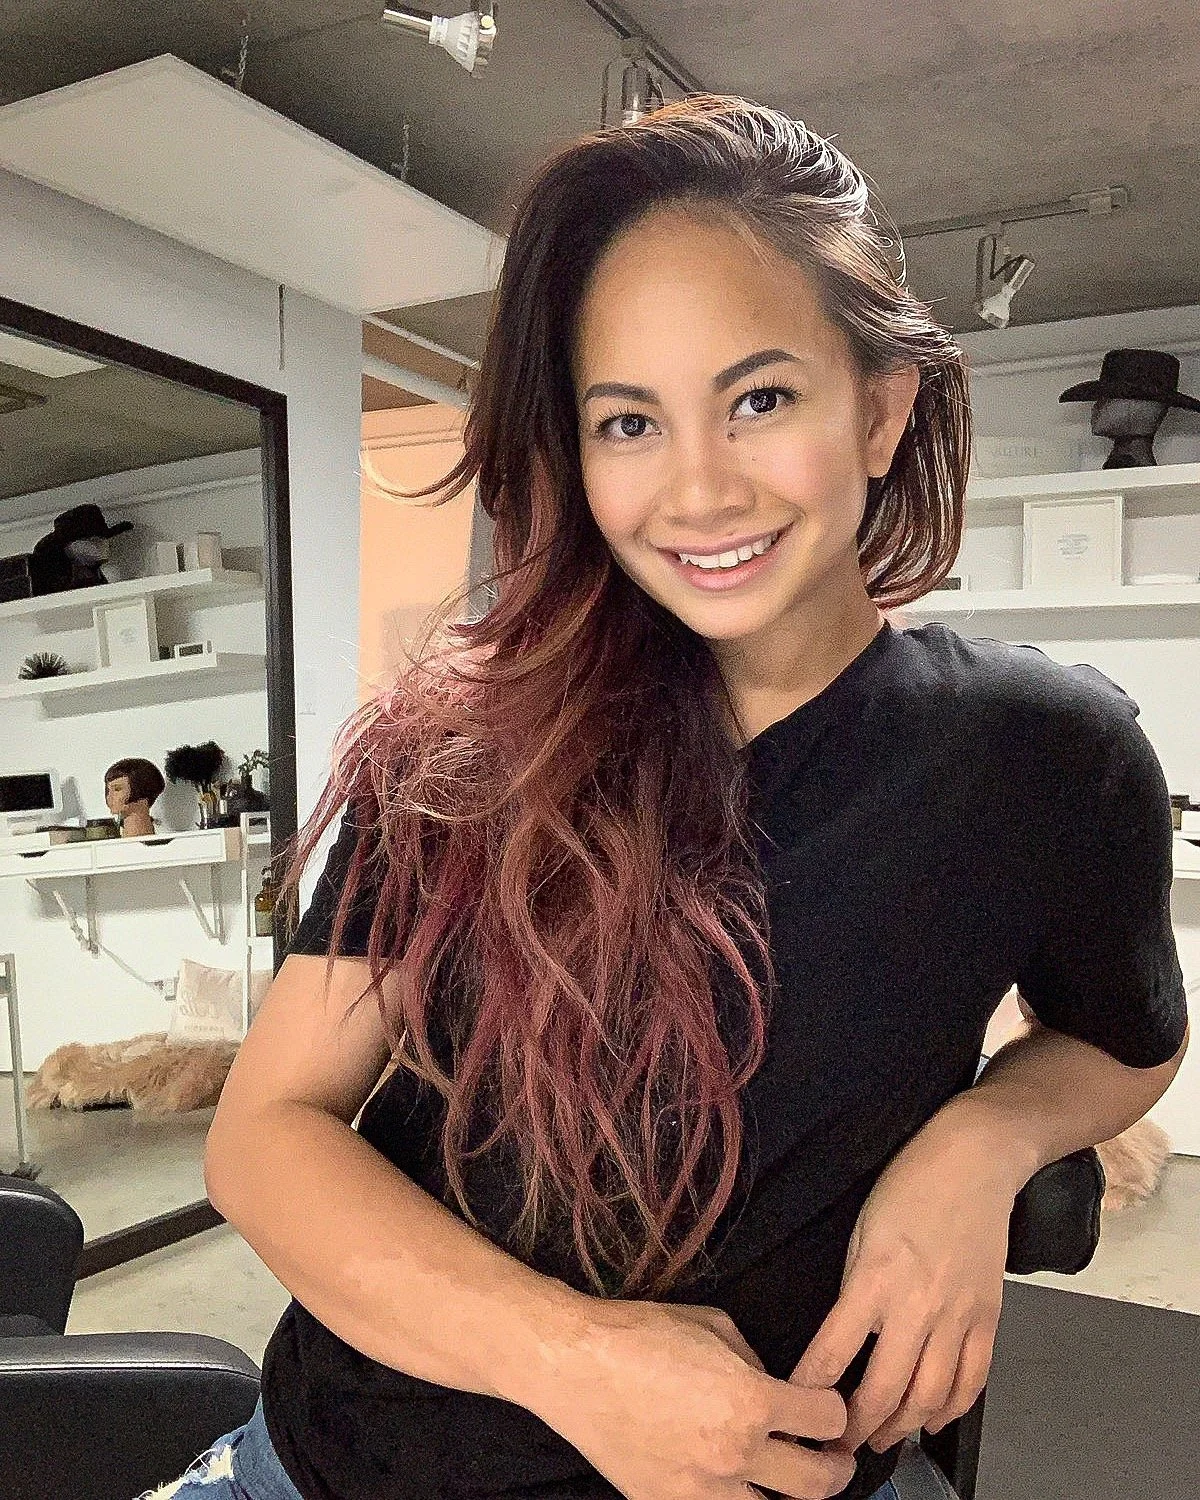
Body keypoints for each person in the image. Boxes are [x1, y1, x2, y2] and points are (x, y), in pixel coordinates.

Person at [141, 97, 1190, 1500]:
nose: (697, 490)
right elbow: (265, 1138)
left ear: (881, 409)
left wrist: (981, 1142)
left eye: (761, 399)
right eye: (628, 421)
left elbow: (1125, 1044)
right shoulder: (460, 754)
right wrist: (580, 1363)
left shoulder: (1040, 757)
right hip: (342, 1466)